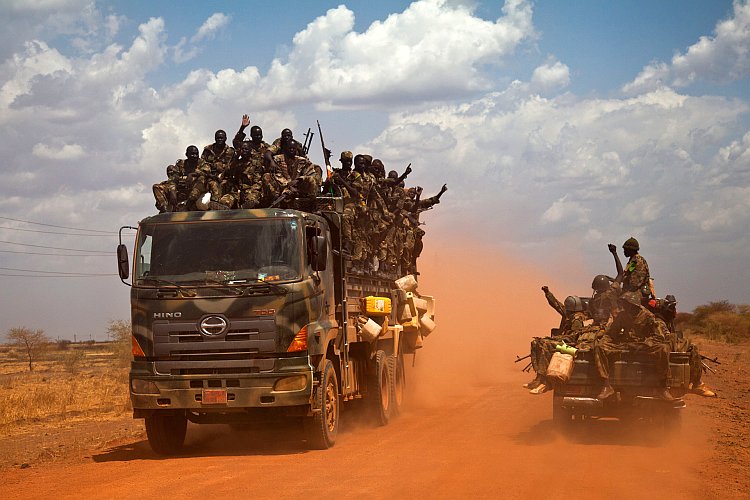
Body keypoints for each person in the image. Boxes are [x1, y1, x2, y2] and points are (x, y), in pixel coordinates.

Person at [152, 145, 204, 212]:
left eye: (196, 154)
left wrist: (191, 174)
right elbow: (173, 178)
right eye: (192, 154)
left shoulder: (202, 163)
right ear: (186, 155)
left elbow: (205, 172)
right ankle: (165, 210)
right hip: (180, 189)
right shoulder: (181, 164)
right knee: (157, 187)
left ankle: (188, 206)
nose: (195, 156)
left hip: (193, 191)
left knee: (201, 180)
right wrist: (172, 191)